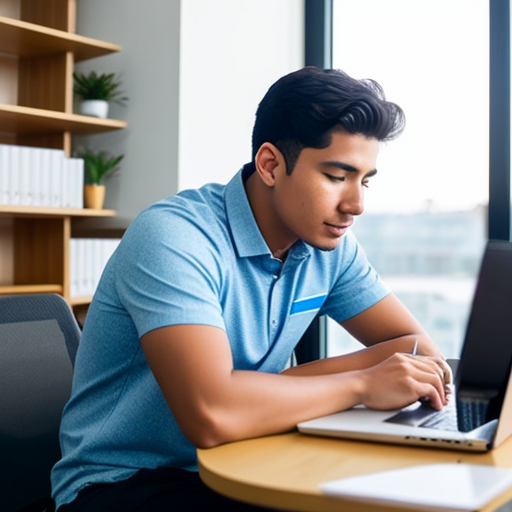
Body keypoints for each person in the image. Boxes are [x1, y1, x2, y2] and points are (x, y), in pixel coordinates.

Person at [51, 66, 452, 511]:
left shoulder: (330, 246)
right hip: (123, 483)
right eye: (337, 177)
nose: (356, 204)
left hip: (251, 455)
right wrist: (362, 383)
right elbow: (213, 414)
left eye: (365, 180)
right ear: (270, 165)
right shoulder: (174, 237)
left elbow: (421, 354)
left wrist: (259, 391)